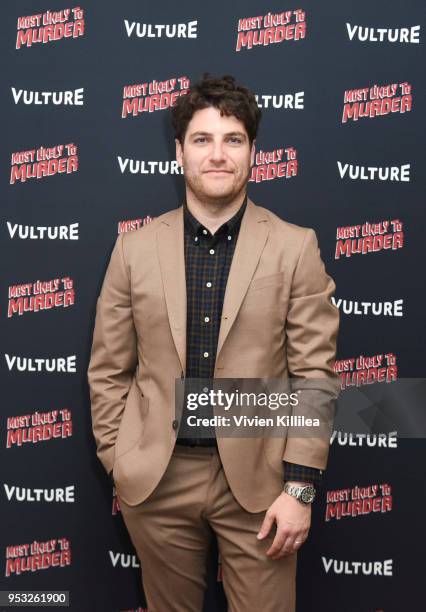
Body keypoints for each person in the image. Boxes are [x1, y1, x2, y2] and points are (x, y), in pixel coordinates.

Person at [87, 73, 340, 612]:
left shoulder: (295, 248)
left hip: (260, 482)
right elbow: (108, 369)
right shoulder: (133, 250)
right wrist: (120, 457)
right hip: (157, 481)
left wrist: (299, 489)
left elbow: (314, 376)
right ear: (179, 152)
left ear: (253, 152)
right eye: (202, 140)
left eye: (233, 140)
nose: (217, 155)